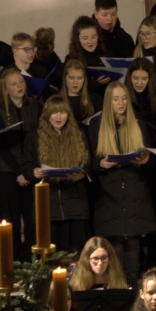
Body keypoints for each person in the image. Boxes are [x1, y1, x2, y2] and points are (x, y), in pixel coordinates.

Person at [89, 81, 156, 279]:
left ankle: (135, 294)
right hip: (109, 198)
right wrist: (100, 164)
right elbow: (88, 163)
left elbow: (152, 162)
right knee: (115, 258)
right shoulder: (96, 128)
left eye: (124, 98)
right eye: (116, 99)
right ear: (108, 102)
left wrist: (145, 161)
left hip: (134, 194)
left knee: (134, 258)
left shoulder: (138, 124)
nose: (121, 103)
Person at [26, 94, 91, 251]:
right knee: (53, 254)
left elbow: (88, 164)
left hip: (75, 204)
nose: (58, 117)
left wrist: (82, 174)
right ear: (47, 114)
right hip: (48, 206)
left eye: (62, 112)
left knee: (76, 253)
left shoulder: (79, 134)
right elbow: (26, 166)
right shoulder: (34, 137)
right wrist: (34, 172)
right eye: (54, 112)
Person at [0, 68, 40, 263]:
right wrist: (19, 171)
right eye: (14, 84)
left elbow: (38, 139)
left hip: (31, 169)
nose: (19, 86)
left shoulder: (34, 106)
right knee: (10, 219)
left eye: (21, 82)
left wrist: (28, 171)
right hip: (8, 171)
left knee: (32, 218)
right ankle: (14, 261)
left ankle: (32, 259)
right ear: (5, 88)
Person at [46, 59, 97, 126]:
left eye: (79, 78)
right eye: (71, 78)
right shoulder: (56, 100)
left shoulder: (95, 99)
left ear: (84, 79)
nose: (75, 82)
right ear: (65, 78)